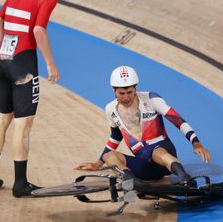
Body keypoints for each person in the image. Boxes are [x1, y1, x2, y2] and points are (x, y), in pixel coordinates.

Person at [0, 0, 78, 197]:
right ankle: (20, 184)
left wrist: (6, 51)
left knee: (3, 118)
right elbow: (38, 30)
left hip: (1, 59)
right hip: (23, 62)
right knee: (23, 125)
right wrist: (51, 65)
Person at [75, 66, 210, 185]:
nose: (126, 97)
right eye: (122, 93)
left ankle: (184, 177)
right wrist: (98, 164)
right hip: (145, 165)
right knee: (109, 156)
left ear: (135, 88)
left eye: (130, 92)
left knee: (157, 152)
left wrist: (196, 143)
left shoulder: (151, 98)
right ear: (113, 90)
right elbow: (115, 137)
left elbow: (178, 120)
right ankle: (135, 183)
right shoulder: (110, 109)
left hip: (163, 154)